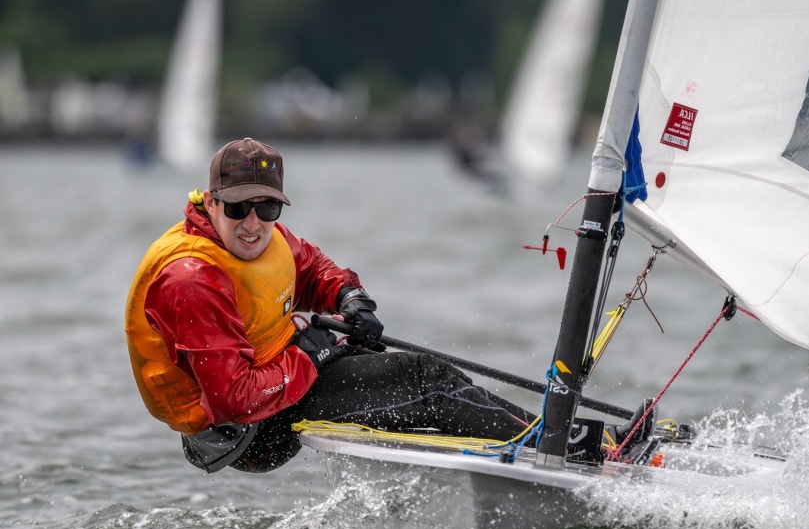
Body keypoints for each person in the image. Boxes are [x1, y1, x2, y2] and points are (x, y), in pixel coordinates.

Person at [124, 137, 537, 473]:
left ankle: (551, 439)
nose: (252, 224)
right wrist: (313, 353)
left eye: (266, 207)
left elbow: (313, 269)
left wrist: (351, 300)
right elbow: (234, 400)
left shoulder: (266, 238)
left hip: (283, 378)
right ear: (210, 202)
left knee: (428, 379)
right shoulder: (191, 279)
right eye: (237, 208)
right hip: (245, 431)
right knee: (426, 380)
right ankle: (548, 449)